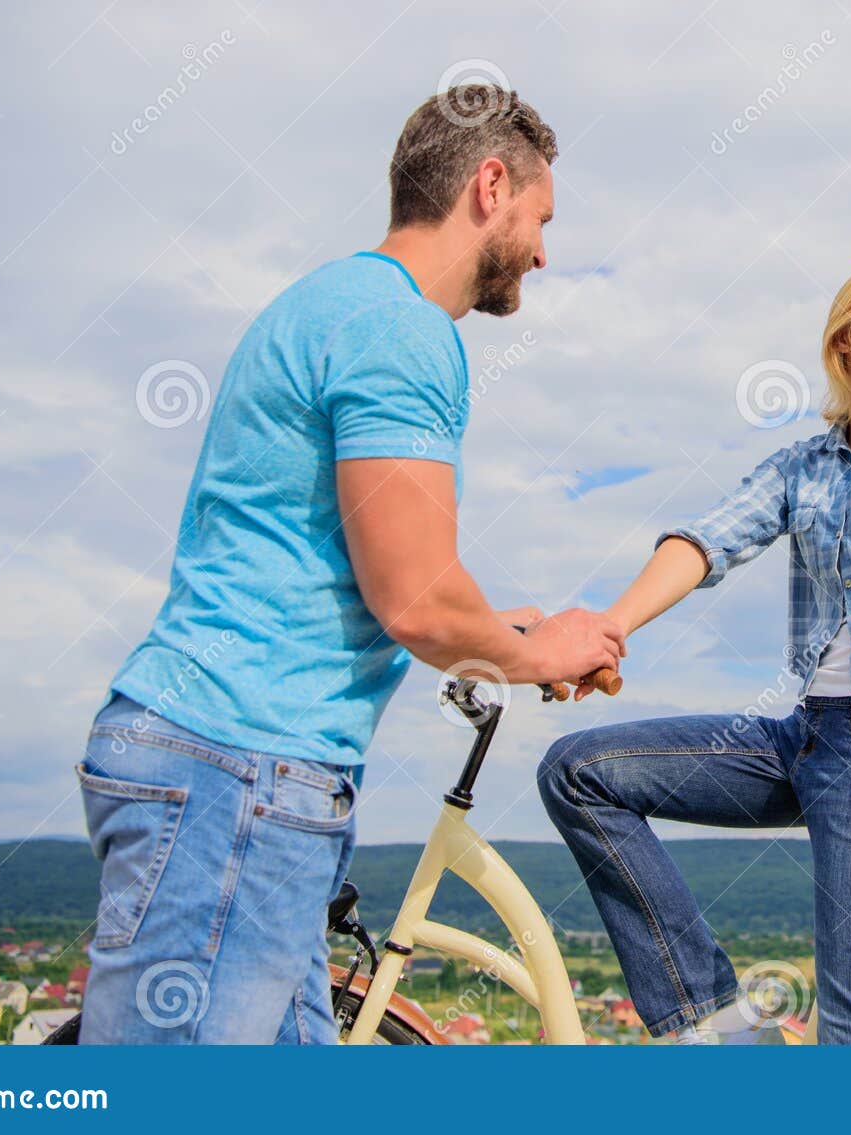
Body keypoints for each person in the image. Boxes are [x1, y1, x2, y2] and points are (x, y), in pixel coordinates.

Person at [76, 86, 624, 1044]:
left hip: (239, 773)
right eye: (542, 219)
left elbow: (359, 561)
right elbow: (415, 599)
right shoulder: (402, 329)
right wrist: (548, 650)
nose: (543, 251)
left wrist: (509, 630)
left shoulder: (332, 301)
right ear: (490, 185)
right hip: (237, 771)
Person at [538, 251, 851, 1044]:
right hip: (809, 734)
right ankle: (721, 1028)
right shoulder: (805, 462)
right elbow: (709, 542)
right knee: (579, 773)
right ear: (845, 340)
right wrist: (610, 625)